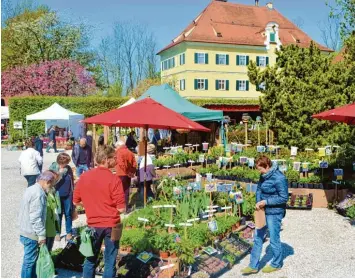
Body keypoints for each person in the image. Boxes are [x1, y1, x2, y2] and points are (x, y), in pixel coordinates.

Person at [73, 145, 125, 278]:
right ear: (107, 160)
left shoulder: (84, 177)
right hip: (112, 225)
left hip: (93, 225)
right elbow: (121, 208)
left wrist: (90, 204)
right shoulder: (114, 179)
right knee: (110, 261)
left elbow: (76, 201)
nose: (116, 161)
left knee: (90, 259)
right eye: (114, 158)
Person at [241, 156, 288, 275]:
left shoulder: (279, 178)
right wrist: (258, 203)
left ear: (267, 166)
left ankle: (276, 264)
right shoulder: (263, 176)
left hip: (275, 212)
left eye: (260, 168)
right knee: (257, 237)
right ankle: (253, 266)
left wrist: (266, 202)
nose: (259, 171)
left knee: (273, 238)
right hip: (262, 211)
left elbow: (283, 198)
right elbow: (259, 190)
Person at [18, 171, 57, 278]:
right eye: (52, 183)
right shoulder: (38, 194)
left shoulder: (31, 188)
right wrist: (41, 235)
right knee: (29, 262)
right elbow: (35, 217)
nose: (52, 186)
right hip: (31, 233)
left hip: (25, 230)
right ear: (47, 182)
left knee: (30, 261)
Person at [49, 153, 75, 241]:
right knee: (58, 214)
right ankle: (57, 233)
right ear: (61, 161)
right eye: (66, 162)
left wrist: (73, 192)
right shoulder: (53, 168)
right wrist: (59, 173)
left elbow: (72, 180)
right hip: (57, 195)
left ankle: (69, 232)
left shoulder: (68, 168)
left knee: (68, 214)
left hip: (68, 194)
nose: (67, 164)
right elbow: (51, 182)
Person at [115, 140, 137, 212]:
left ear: (119, 146)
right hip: (128, 175)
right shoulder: (130, 152)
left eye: (116, 147)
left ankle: (120, 208)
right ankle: (126, 208)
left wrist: (127, 172)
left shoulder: (119, 152)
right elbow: (134, 164)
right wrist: (131, 173)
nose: (116, 148)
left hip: (121, 174)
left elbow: (121, 164)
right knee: (126, 191)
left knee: (119, 191)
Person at [45, 170, 60, 252]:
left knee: (49, 247)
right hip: (46, 227)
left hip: (52, 225)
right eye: (54, 180)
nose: (55, 183)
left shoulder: (52, 190)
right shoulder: (43, 193)